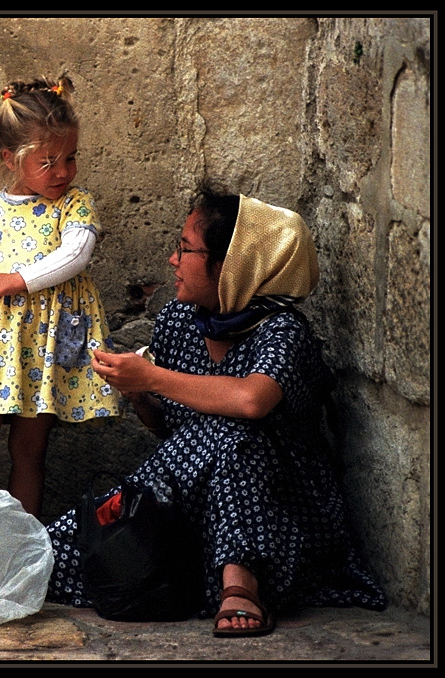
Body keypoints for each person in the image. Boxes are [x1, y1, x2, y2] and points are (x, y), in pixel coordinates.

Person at [46, 190, 387, 637]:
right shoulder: (178, 321)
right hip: (190, 504)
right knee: (54, 559)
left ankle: (240, 584)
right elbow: (170, 429)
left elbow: (251, 400)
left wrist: (152, 378)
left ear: (234, 264)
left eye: (186, 249)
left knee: (237, 433)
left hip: (280, 518)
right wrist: (136, 394)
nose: (173, 260)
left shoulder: (283, 332)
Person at [0, 75, 121, 518]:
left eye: (70, 158)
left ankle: (22, 535)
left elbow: (76, 254)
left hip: (48, 336)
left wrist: (20, 280)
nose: (64, 172)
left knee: (29, 443)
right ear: (10, 159)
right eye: (49, 161)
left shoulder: (75, 204)